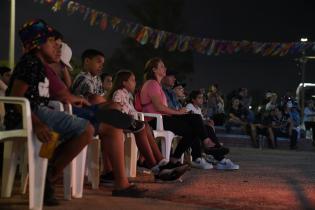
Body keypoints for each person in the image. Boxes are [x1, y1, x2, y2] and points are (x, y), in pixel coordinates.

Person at [4, 19, 94, 205]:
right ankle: (49, 174)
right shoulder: (30, 63)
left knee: (72, 131)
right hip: (28, 116)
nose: (57, 48)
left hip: (39, 113)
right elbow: (15, 99)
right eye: (53, 42)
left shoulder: (39, 65)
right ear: (37, 44)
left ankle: (46, 173)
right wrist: (36, 123)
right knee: (87, 129)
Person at [46, 46, 147, 197]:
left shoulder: (49, 72)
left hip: (68, 111)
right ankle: (49, 176)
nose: (63, 69)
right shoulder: (42, 69)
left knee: (111, 124)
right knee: (97, 121)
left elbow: (66, 92)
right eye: (62, 65)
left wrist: (64, 73)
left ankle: (121, 183)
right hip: (62, 113)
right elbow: (65, 96)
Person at [139, 57, 219, 170]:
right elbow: (159, 107)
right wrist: (178, 113)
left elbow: (163, 107)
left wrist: (179, 113)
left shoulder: (156, 85)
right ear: (154, 70)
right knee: (194, 123)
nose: (165, 68)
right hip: (155, 120)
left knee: (195, 122)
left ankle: (176, 159)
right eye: (161, 66)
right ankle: (204, 142)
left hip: (163, 118)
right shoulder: (152, 84)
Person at [108, 69, 189, 180]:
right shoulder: (119, 93)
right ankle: (159, 165)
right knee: (144, 125)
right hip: (122, 123)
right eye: (132, 80)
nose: (135, 82)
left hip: (132, 124)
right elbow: (117, 110)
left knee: (144, 125)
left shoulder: (128, 96)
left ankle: (160, 164)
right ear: (124, 82)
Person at [186, 90, 239, 170]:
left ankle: (220, 157)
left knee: (209, 127)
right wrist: (205, 122)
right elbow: (193, 121)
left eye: (202, 98)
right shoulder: (189, 106)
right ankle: (215, 153)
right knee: (207, 128)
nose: (202, 100)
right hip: (191, 131)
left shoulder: (199, 109)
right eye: (199, 98)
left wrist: (207, 121)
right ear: (193, 99)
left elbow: (201, 121)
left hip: (200, 133)